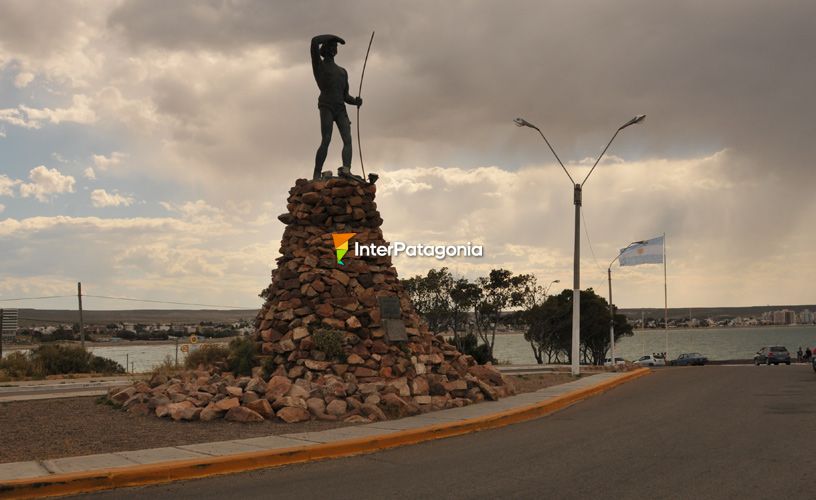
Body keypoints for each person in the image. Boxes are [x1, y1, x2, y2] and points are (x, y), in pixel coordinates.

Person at [311, 34, 363, 179]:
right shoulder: (319, 66)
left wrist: (356, 101)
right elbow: (314, 41)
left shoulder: (342, 72)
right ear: (325, 49)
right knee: (326, 139)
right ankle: (316, 172)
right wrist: (333, 37)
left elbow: (345, 95)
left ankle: (346, 169)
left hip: (340, 108)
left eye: (336, 46)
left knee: (348, 139)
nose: (334, 48)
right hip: (326, 106)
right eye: (332, 45)